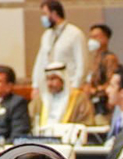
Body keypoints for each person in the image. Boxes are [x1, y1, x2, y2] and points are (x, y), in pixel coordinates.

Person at [32, 0, 88, 128]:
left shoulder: (74, 34)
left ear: (54, 13)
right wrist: (36, 85)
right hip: (49, 87)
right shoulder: (46, 35)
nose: (43, 18)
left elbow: (82, 62)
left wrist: (76, 86)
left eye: (44, 14)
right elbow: (40, 61)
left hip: (68, 87)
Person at [33, 62, 94, 130]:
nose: (49, 84)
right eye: (47, 79)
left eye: (53, 79)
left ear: (63, 80)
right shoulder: (40, 101)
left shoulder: (79, 99)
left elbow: (86, 125)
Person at [86, 23, 119, 121]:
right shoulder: (95, 58)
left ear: (105, 38)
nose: (92, 40)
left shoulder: (109, 58)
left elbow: (110, 82)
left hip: (103, 104)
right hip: (93, 103)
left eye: (95, 37)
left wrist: (95, 90)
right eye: (91, 37)